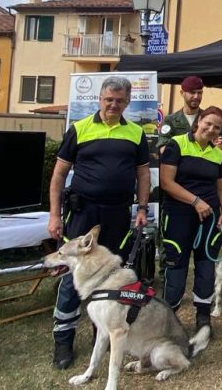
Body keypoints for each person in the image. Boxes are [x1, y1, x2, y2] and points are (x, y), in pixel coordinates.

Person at [47, 76, 150, 370]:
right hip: (83, 214)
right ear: (99, 99)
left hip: (118, 214)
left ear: (127, 102)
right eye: (108, 99)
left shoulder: (135, 133)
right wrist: (55, 214)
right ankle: (63, 342)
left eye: (119, 101)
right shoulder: (79, 128)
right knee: (72, 277)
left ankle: (100, 336)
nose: (113, 105)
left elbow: (143, 174)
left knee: (110, 277)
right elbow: (58, 176)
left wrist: (142, 207)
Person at [159, 106, 222, 332]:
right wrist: (195, 201)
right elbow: (166, 182)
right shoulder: (176, 144)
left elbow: (220, 189)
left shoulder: (218, 153)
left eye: (216, 127)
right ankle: (167, 320)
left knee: (206, 268)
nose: (211, 129)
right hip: (179, 215)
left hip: (209, 219)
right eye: (208, 123)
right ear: (198, 121)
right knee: (176, 268)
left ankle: (203, 318)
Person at [157, 76, 204, 153]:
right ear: (182, 93)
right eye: (192, 92)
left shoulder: (208, 118)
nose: (196, 96)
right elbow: (163, 147)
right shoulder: (170, 120)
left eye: (199, 93)